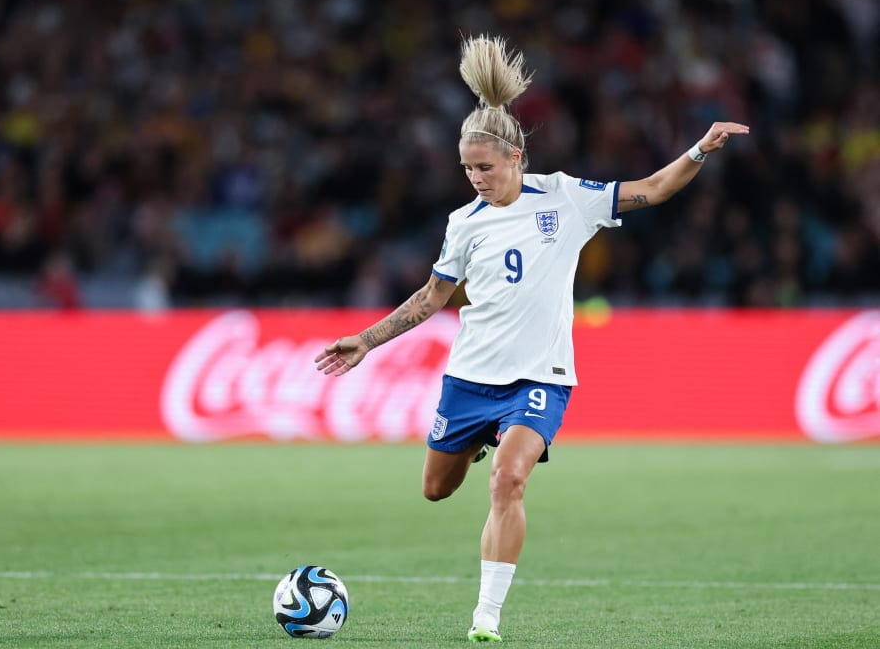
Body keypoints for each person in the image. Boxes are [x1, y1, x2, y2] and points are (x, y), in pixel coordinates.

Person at [314, 34, 749, 643]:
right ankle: (483, 438)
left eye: (485, 168)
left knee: (509, 481)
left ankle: (485, 618)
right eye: (467, 169)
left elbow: (651, 189)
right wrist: (365, 340)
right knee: (437, 489)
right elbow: (433, 298)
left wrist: (700, 150)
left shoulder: (565, 198)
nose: (475, 179)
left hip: (540, 377)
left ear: (516, 157)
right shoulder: (462, 224)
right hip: (470, 376)